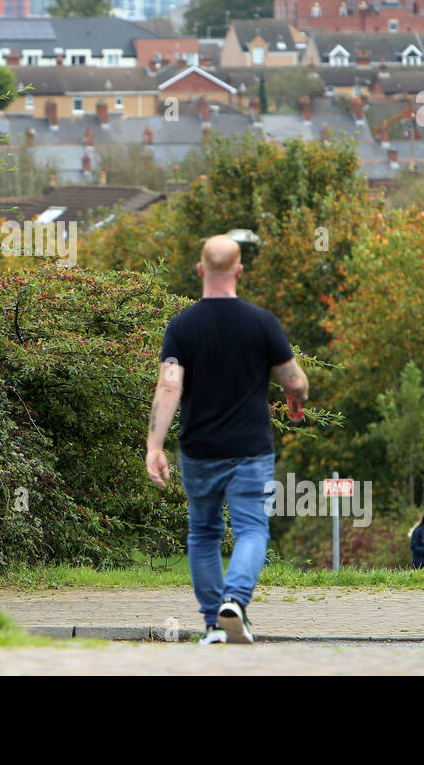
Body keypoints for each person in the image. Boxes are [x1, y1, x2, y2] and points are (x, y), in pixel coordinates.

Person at [145, 234, 307, 646]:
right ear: (239, 271)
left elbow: (169, 387)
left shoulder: (182, 326)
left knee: (203, 533)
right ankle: (234, 599)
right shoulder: (262, 323)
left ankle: (213, 625)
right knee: (253, 528)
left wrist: (154, 446)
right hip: (250, 449)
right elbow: (294, 381)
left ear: (200, 269)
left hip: (198, 450)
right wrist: (296, 398)